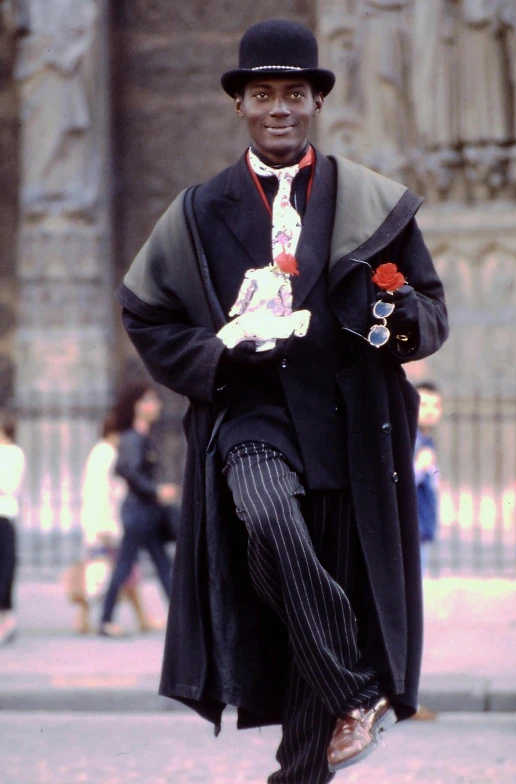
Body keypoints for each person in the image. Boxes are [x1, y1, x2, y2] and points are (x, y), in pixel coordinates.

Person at [114, 19, 449, 782]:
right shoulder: (197, 210)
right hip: (249, 417)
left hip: (350, 435)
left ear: (315, 103)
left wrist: (390, 317)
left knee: (304, 713)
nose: (278, 108)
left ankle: (306, 751)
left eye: (293, 93)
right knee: (265, 514)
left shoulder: (374, 202)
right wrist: (214, 355)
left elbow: (428, 315)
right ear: (238, 104)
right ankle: (353, 685)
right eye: (261, 93)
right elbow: (144, 312)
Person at [68, 411, 161, 634]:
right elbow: (101, 492)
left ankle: (139, 617)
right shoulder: (107, 453)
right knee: (107, 572)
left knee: (123, 570)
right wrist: (104, 525)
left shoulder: (101, 452)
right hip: (106, 523)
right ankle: (93, 618)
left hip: (105, 521)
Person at [98, 382, 177, 638]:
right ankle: (106, 620)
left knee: (163, 564)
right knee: (125, 564)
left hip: (148, 511)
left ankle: (181, 620)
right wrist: (155, 490)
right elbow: (126, 469)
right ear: (137, 406)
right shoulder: (132, 437)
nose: (156, 406)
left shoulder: (142, 436)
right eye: (150, 400)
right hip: (138, 511)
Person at [0, 411, 25, 646]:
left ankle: (6, 618)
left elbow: (10, 485)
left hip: (4, 515)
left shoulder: (13, 453)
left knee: (5, 569)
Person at [414, 381, 443, 575]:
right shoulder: (411, 440)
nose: (430, 411)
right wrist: (418, 466)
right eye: (423, 405)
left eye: (436, 406)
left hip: (423, 525)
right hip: (412, 525)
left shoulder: (427, 440)